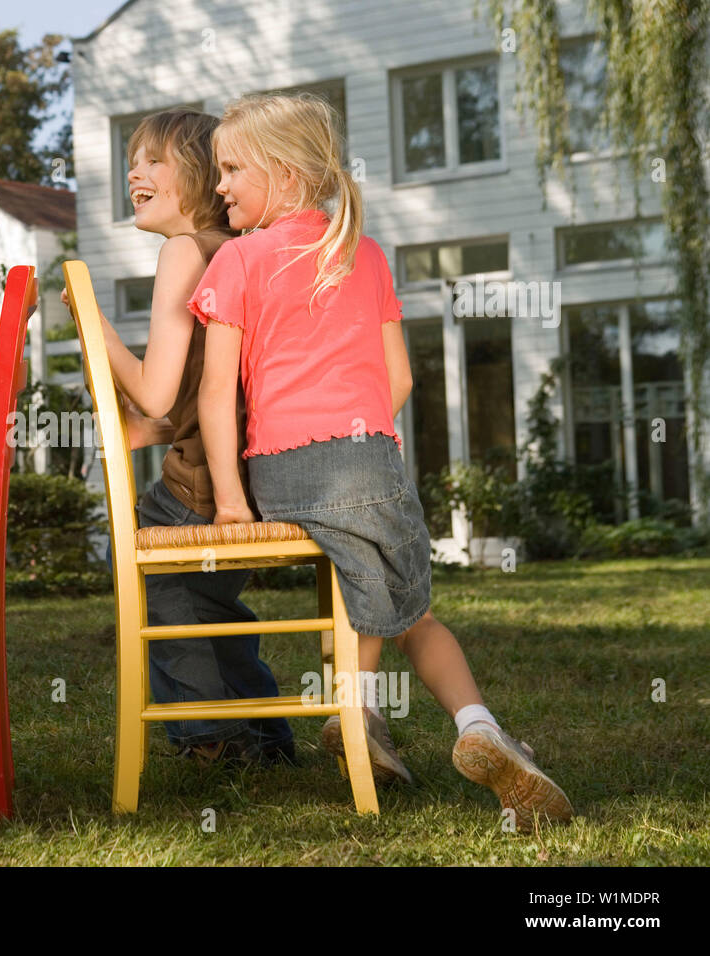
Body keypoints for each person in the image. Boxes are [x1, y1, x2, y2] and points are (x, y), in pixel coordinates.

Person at [191, 92, 572, 829]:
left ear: (290, 176)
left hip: (282, 473)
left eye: (234, 168)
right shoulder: (363, 255)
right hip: (366, 460)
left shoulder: (237, 260)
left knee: (361, 578)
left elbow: (217, 392)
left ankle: (360, 713)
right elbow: (399, 380)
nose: (220, 184)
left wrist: (233, 498)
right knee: (413, 611)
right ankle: (479, 728)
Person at [70, 108, 295, 766]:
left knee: (159, 583)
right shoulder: (241, 252)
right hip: (259, 487)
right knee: (206, 602)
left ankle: (209, 738)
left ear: (198, 175)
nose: (133, 172)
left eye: (152, 160)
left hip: (198, 491)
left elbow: (156, 391)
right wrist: (146, 428)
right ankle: (266, 739)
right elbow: (199, 397)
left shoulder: (182, 251)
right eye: (131, 159)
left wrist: (94, 326)